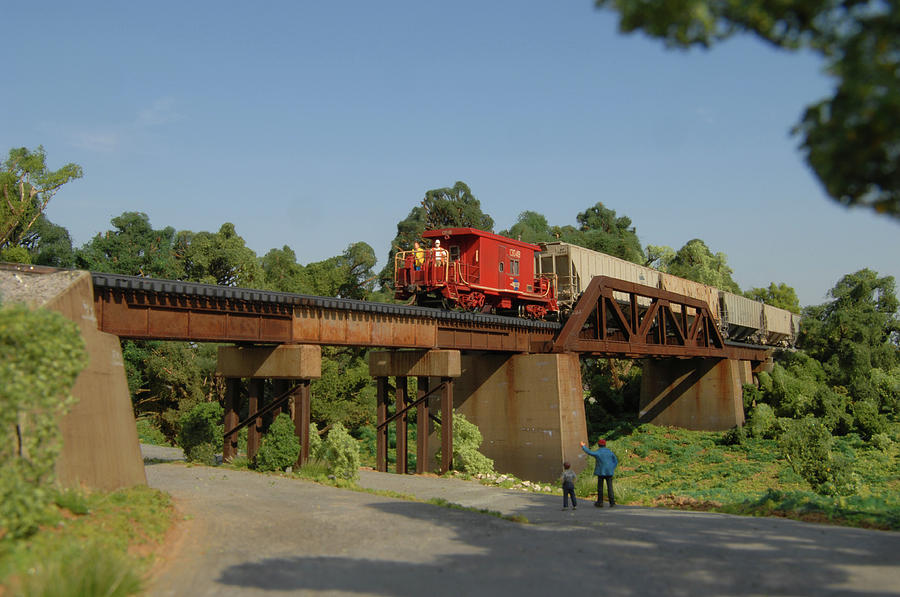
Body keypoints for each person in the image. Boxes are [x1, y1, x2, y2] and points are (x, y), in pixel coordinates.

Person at [581, 438, 618, 507]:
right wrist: (612, 468)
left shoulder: (598, 452)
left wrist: (583, 446)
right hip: (609, 472)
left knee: (600, 487)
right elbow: (615, 461)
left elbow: (590, 452)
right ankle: (612, 502)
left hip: (601, 472)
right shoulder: (610, 452)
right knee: (610, 487)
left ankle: (600, 502)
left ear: (598, 445)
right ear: (605, 445)